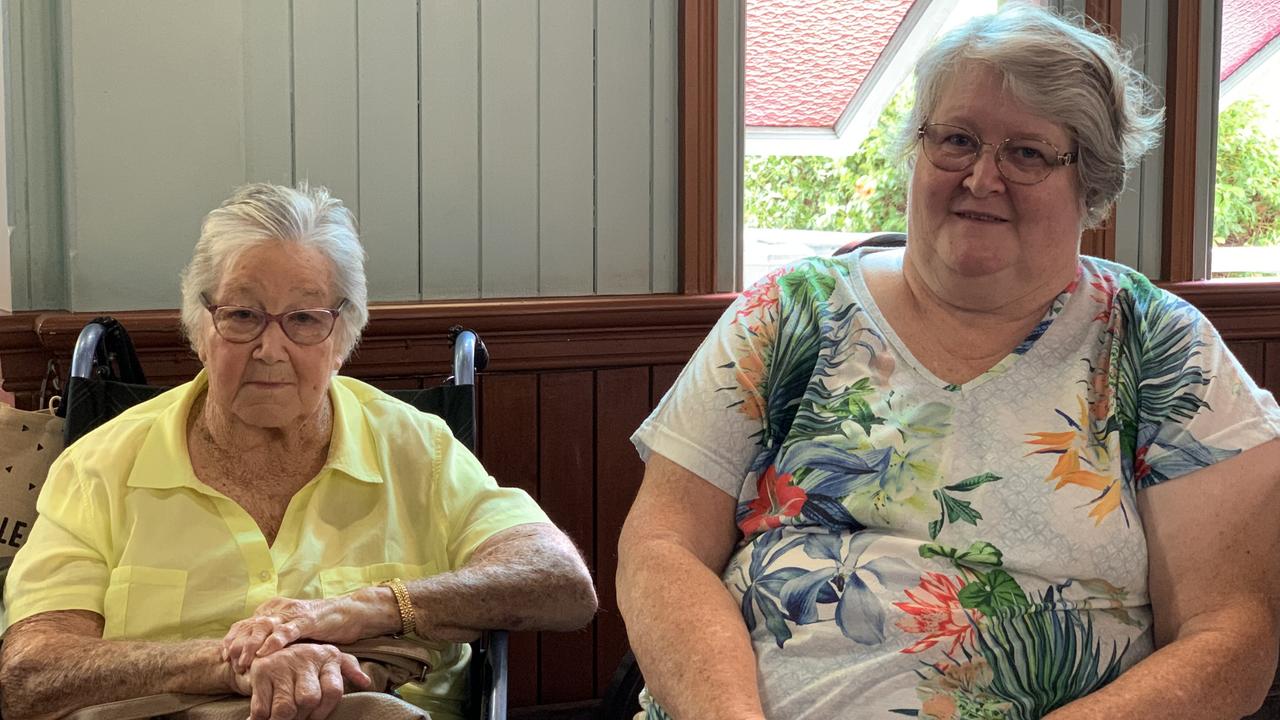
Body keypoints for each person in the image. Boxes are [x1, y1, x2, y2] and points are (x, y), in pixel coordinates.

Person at [619, 5, 1280, 720]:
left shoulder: (1163, 350)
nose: (981, 178)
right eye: (957, 140)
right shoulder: (788, 315)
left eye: (1027, 153)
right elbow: (663, 545)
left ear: (1089, 183)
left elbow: (1232, 634)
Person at [0, 183, 598, 720]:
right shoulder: (101, 465)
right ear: (201, 328)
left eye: (304, 319)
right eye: (242, 315)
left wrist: (371, 608)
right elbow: (29, 674)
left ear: (342, 336)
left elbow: (560, 582)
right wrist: (226, 664)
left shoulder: (418, 449)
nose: (270, 348)